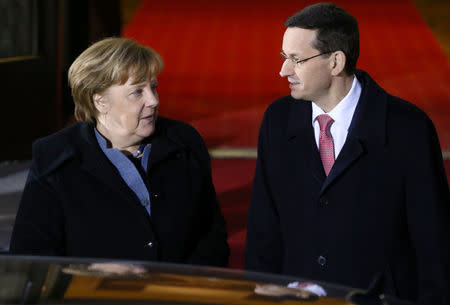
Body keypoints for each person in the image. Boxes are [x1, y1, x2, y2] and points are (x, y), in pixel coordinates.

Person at [245, 3, 450, 304]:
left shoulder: (409, 129)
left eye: (296, 60)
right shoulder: (277, 120)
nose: (283, 70)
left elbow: (433, 241)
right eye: (283, 58)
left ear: (336, 62)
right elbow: (264, 228)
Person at [10, 37, 229, 267]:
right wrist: (90, 276)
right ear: (100, 101)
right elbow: (31, 257)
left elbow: (211, 234)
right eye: (137, 92)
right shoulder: (55, 157)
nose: (153, 100)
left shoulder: (185, 142)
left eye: (153, 87)